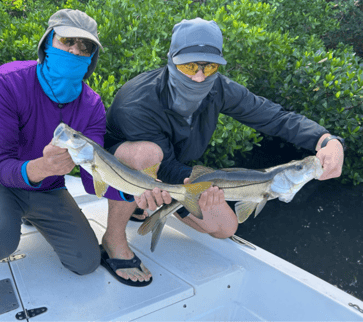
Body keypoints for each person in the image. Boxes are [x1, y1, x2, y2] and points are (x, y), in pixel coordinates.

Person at [100, 17, 345, 286]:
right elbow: (165, 166)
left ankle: (141, 209)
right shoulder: (137, 102)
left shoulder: (218, 88)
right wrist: (205, 185)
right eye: (190, 65)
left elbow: (272, 116)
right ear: (171, 59)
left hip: (175, 173)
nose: (199, 76)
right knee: (145, 156)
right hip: (121, 168)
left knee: (225, 226)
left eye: (209, 66)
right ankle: (113, 238)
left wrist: (326, 139)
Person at [0, 9, 135, 277]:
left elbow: (92, 179)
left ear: (92, 56)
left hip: (47, 186)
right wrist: (40, 168)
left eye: (85, 46)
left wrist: (133, 194)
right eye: (67, 41)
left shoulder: (92, 105)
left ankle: (29, 212)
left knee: (86, 262)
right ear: (47, 43)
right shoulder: (5, 82)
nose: (76, 51)